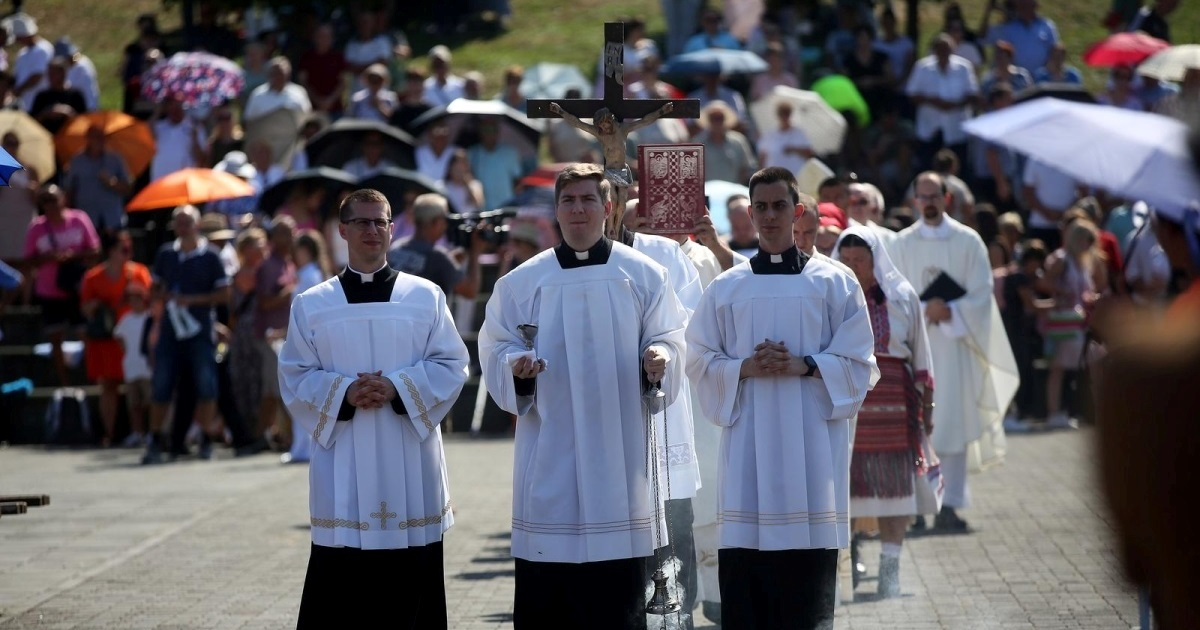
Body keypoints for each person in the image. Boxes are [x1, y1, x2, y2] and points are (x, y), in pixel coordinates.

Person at [478, 163, 688, 629]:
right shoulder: (523, 281)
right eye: (569, 200)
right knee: (550, 596)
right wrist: (517, 367)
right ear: (556, 210)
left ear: (607, 208)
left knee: (617, 602)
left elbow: (671, 336)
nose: (578, 209)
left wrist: (658, 358)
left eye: (588, 199)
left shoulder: (643, 274)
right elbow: (495, 344)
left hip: (620, 455)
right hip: (551, 451)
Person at [685, 166, 878, 630]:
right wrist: (744, 368)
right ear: (749, 214)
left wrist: (806, 365)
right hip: (748, 457)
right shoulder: (727, 288)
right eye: (761, 207)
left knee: (804, 602)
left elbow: (860, 363)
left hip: (811, 458)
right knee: (749, 598)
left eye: (779, 206)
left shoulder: (834, 283)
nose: (770, 216)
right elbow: (697, 360)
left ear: (798, 211)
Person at [279, 188, 468, 628]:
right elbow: (294, 374)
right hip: (343, 460)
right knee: (341, 582)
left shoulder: (425, 297)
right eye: (361, 222)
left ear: (391, 228)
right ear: (342, 230)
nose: (372, 230)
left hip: (409, 459)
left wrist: (397, 387)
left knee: (413, 587)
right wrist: (344, 393)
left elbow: (452, 364)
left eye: (380, 222)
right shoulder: (313, 303)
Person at [889, 172, 1019, 531]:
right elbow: (892, 291)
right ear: (914, 200)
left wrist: (952, 310)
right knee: (915, 427)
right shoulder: (900, 243)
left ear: (947, 198)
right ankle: (917, 506)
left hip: (955, 344)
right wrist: (921, 309)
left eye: (934, 195)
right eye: (922, 195)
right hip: (916, 347)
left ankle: (949, 505)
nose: (928, 201)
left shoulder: (968, 241)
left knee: (951, 422)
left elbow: (982, 294)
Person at [832, 226, 934, 598]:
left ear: (877, 260)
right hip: (849, 402)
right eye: (847, 259)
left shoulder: (903, 296)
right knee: (848, 487)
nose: (854, 266)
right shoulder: (831, 292)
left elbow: (921, 352)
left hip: (894, 403)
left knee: (896, 492)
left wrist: (928, 405)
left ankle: (890, 567)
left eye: (861, 259)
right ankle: (851, 560)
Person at [141, 205, 230, 465]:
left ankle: (205, 438)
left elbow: (223, 295)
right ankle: (155, 439)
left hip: (200, 330)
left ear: (197, 224)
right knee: (161, 384)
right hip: (171, 330)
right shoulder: (166, 254)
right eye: (178, 222)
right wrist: (161, 292)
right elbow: (155, 288)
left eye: (187, 221)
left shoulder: (211, 256)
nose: (183, 227)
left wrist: (190, 300)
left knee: (206, 384)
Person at [547, 100, 674, 229]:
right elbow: (577, 123)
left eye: (606, 124)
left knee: (622, 202)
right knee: (612, 200)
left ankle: (618, 225)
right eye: (601, 126)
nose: (605, 128)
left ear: (611, 121)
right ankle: (612, 228)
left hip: (623, 169)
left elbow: (645, 121)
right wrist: (560, 112)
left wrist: (661, 112)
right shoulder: (600, 134)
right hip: (610, 170)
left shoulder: (623, 130)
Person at [23, 184, 101, 387]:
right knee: (55, 338)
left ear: (63, 199)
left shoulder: (79, 219)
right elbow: (28, 261)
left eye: (54, 200)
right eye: (46, 202)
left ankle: (95, 378)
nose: (51, 206)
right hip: (49, 292)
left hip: (77, 289)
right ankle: (65, 383)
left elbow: (95, 250)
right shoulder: (36, 228)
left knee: (86, 334)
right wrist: (47, 258)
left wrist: (72, 256)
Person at [80, 231, 152, 447]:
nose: (127, 251)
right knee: (108, 387)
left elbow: (150, 300)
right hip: (105, 339)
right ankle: (110, 434)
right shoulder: (93, 277)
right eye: (123, 247)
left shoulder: (139, 272)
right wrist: (97, 305)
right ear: (111, 251)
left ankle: (144, 432)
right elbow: (85, 308)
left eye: (129, 247)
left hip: (134, 339)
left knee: (141, 387)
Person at [1041, 220, 1107, 429]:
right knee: (1059, 367)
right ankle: (1054, 413)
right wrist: (1062, 293)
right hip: (1063, 322)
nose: (1089, 244)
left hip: (1080, 322)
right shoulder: (1062, 259)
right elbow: (1043, 282)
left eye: (1091, 240)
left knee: (1094, 361)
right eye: (1086, 239)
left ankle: (1095, 411)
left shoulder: (1086, 262)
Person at [279, 229, 333, 465]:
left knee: (301, 395)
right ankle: (302, 446)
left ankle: (303, 448)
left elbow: (305, 315)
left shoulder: (310, 276)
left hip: (306, 342)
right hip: (309, 340)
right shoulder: (311, 274)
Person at [64, 124, 131, 235]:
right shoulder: (77, 161)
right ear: (88, 139)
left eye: (102, 136)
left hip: (112, 219)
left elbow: (128, 188)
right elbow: (69, 190)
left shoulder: (115, 159)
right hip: (86, 220)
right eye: (95, 137)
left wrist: (111, 183)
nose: (99, 140)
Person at [112, 282, 153, 448]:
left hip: (148, 368)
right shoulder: (126, 319)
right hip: (131, 367)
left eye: (138, 299)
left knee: (150, 402)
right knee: (134, 404)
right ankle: (137, 433)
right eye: (132, 299)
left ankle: (152, 432)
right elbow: (118, 337)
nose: (135, 302)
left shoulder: (150, 318)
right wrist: (128, 352)